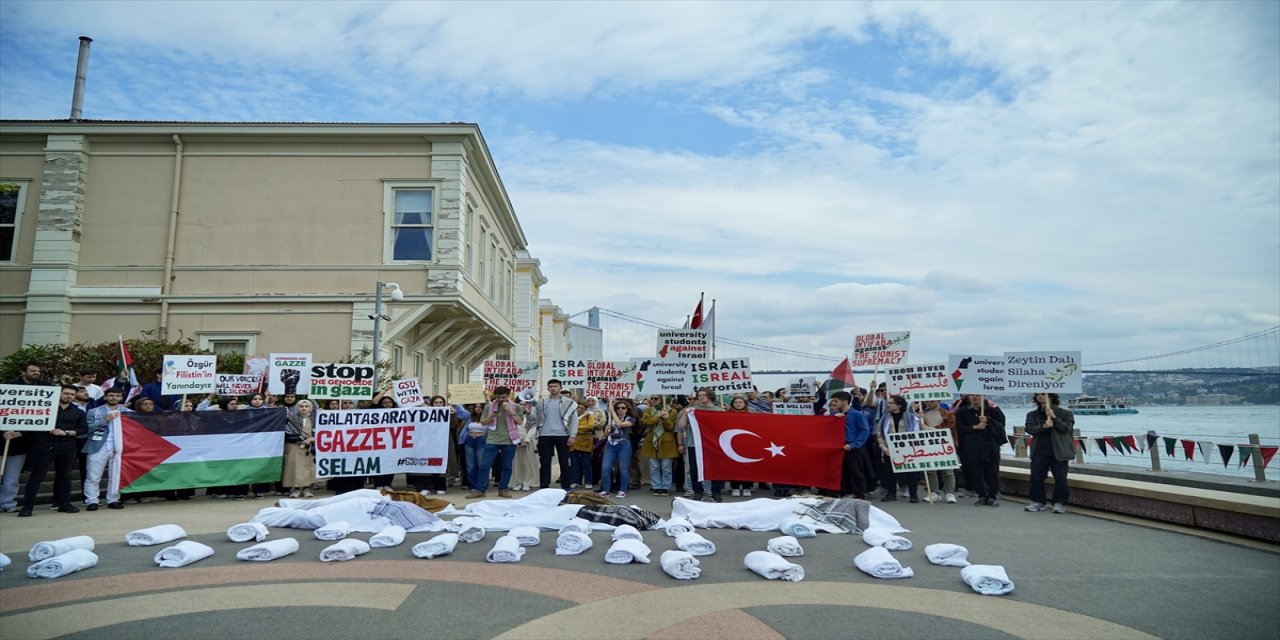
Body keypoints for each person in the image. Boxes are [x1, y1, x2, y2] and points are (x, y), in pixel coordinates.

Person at [17, 385, 86, 516]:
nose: (69, 396)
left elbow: (83, 430)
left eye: (72, 394)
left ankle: (64, 503)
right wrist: (17, 433)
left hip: (67, 447)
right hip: (44, 446)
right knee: (36, 477)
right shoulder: (45, 409)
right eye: (66, 393)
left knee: (65, 477)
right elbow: (31, 425)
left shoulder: (78, 412)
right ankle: (27, 506)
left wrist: (66, 432)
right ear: (59, 394)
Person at [1024, 392, 1076, 514]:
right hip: (1039, 450)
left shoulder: (1065, 413)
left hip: (1059, 451)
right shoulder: (1032, 414)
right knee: (1036, 477)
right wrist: (1043, 426)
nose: (1040, 396)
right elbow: (1029, 429)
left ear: (1051, 397)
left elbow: (1066, 429)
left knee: (1061, 478)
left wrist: (1054, 417)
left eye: (1043, 394)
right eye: (1037, 394)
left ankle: (1060, 503)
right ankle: (1038, 501)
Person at [471, 386, 524, 499]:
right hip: (492, 440)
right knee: (485, 466)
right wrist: (491, 416)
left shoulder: (516, 406)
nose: (501, 399)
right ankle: (481, 490)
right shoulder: (489, 407)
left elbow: (519, 422)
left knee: (507, 466)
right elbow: (483, 423)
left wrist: (510, 411)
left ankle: (503, 489)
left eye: (504, 397)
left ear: (509, 395)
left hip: (509, 440)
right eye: (498, 397)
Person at [955, 394, 1007, 507]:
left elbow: (1001, 425)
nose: (975, 397)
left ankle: (992, 496)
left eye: (977, 395)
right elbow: (958, 428)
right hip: (971, 445)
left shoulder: (992, 410)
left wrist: (988, 421)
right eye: (972, 395)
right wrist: (975, 427)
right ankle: (981, 495)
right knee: (975, 471)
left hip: (990, 445)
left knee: (992, 471)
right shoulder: (962, 411)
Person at [676, 387, 725, 502]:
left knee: (715, 470)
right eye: (699, 395)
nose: (701, 397)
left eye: (704, 395)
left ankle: (716, 492)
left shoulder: (719, 411)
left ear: (710, 396)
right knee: (694, 470)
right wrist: (685, 414)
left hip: (713, 445)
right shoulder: (692, 410)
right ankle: (698, 492)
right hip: (695, 444)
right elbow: (681, 426)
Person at [527, 379, 576, 491]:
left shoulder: (570, 402)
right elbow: (533, 419)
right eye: (551, 386)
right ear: (548, 388)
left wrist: (572, 435)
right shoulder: (541, 402)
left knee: (564, 462)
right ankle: (544, 487)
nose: (553, 388)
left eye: (555, 386)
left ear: (560, 387)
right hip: (545, 434)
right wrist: (529, 413)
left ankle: (566, 487)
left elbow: (574, 420)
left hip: (562, 434)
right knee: (544, 462)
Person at [84, 387, 127, 510]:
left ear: (121, 398)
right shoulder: (94, 411)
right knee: (93, 475)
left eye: (117, 396)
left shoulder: (128, 412)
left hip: (119, 447)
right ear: (105, 397)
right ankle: (92, 500)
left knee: (116, 474)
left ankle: (113, 499)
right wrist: (105, 419)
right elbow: (88, 429)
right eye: (111, 395)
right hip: (98, 445)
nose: (114, 398)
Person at [875, 395, 922, 503]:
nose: (888, 405)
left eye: (891, 403)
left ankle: (913, 495)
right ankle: (891, 493)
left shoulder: (910, 417)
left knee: (912, 472)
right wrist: (884, 447)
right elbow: (880, 434)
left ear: (899, 405)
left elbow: (915, 433)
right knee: (890, 472)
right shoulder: (885, 417)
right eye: (889, 402)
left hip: (908, 448)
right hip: (889, 449)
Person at [828, 391, 870, 499]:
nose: (834, 403)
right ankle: (843, 492)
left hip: (852, 446)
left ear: (845, 402)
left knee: (856, 471)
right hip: (839, 446)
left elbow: (864, 431)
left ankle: (859, 495)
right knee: (840, 471)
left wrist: (853, 445)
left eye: (836, 401)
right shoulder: (834, 415)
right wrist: (833, 417)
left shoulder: (857, 414)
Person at [919, 400, 959, 503]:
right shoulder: (922, 415)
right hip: (928, 444)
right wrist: (919, 419)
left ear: (938, 401)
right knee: (931, 470)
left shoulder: (948, 414)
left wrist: (928, 429)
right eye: (927, 402)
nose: (929, 403)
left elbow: (949, 429)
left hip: (945, 444)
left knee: (948, 471)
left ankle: (949, 492)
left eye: (931, 401)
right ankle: (934, 492)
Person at [598, 398, 638, 498]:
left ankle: (623, 490)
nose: (620, 410)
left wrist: (612, 411)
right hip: (610, 444)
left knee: (623, 468)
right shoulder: (611, 419)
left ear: (627, 409)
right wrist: (607, 430)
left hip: (623, 444)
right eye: (618, 408)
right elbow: (605, 436)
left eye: (623, 408)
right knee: (605, 468)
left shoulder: (630, 419)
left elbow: (620, 424)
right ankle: (605, 490)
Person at [639, 395, 678, 496]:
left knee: (666, 467)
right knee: (654, 466)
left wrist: (666, 419)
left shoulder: (672, 412)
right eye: (651, 398)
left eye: (656, 398)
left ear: (662, 399)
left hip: (666, 441)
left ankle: (666, 487)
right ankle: (656, 486)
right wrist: (658, 417)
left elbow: (671, 428)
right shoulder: (648, 410)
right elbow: (647, 422)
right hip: (652, 441)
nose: (653, 400)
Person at [282, 399, 317, 498]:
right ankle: (296, 489)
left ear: (310, 408)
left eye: (306, 406)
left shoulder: (315, 420)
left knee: (308, 468)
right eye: (301, 406)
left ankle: (307, 489)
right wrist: (302, 440)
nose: (304, 408)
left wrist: (312, 439)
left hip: (309, 448)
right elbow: (288, 433)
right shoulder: (292, 419)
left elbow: (321, 433)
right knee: (295, 469)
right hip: (295, 447)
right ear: (298, 408)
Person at [569, 399, 599, 489]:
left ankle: (588, 481)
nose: (579, 409)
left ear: (585, 409)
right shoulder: (571, 416)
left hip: (585, 443)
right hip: (573, 443)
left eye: (582, 408)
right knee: (574, 463)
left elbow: (590, 426)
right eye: (578, 407)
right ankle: (575, 481)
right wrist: (577, 429)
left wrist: (575, 428)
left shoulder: (589, 416)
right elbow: (567, 427)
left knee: (586, 463)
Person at [459, 403, 487, 492]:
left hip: (482, 441)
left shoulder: (487, 417)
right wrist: (452, 397)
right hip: (469, 441)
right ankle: (473, 486)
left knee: (481, 465)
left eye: (480, 407)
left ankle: (481, 485)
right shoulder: (469, 417)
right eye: (476, 407)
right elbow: (460, 410)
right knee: (470, 466)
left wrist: (486, 397)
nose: (478, 409)